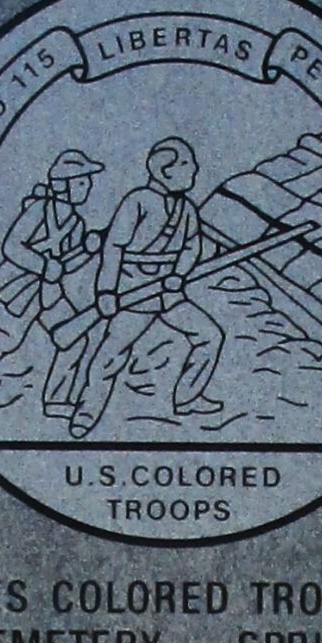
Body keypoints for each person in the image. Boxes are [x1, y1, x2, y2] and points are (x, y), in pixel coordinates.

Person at [68, 137, 225, 440]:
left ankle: (187, 397)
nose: (194, 169)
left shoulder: (186, 209)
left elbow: (192, 246)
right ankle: (86, 412)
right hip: (135, 292)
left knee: (209, 336)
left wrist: (179, 273)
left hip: (168, 293)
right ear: (165, 171)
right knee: (111, 355)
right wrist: (106, 292)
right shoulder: (137, 201)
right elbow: (113, 247)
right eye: (186, 164)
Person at [0, 150, 102, 414]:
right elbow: (12, 246)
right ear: (63, 184)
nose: (87, 186)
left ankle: (56, 400)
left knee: (73, 338)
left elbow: (64, 267)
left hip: (49, 293)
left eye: (87, 181)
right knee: (6, 337)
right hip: (21, 288)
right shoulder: (39, 210)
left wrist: (87, 252)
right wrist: (43, 266)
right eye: (81, 181)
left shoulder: (76, 224)